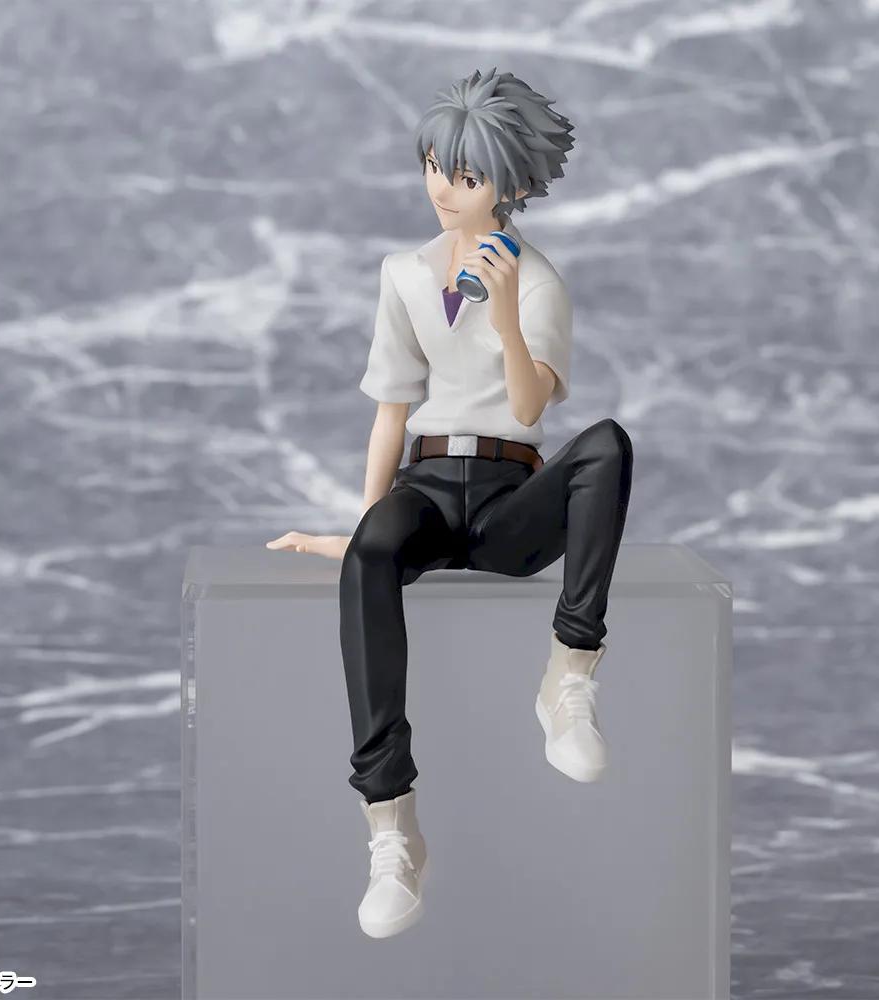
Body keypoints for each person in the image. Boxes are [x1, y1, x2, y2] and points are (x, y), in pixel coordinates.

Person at [266, 67, 633, 939]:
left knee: (608, 445)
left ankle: (570, 671)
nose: (441, 188)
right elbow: (391, 409)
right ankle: (391, 824)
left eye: (464, 175)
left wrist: (504, 316)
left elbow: (531, 409)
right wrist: (365, 523)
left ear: (509, 183)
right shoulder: (403, 274)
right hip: (427, 488)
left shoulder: (537, 282)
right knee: (372, 554)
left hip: (510, 498)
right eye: (434, 165)